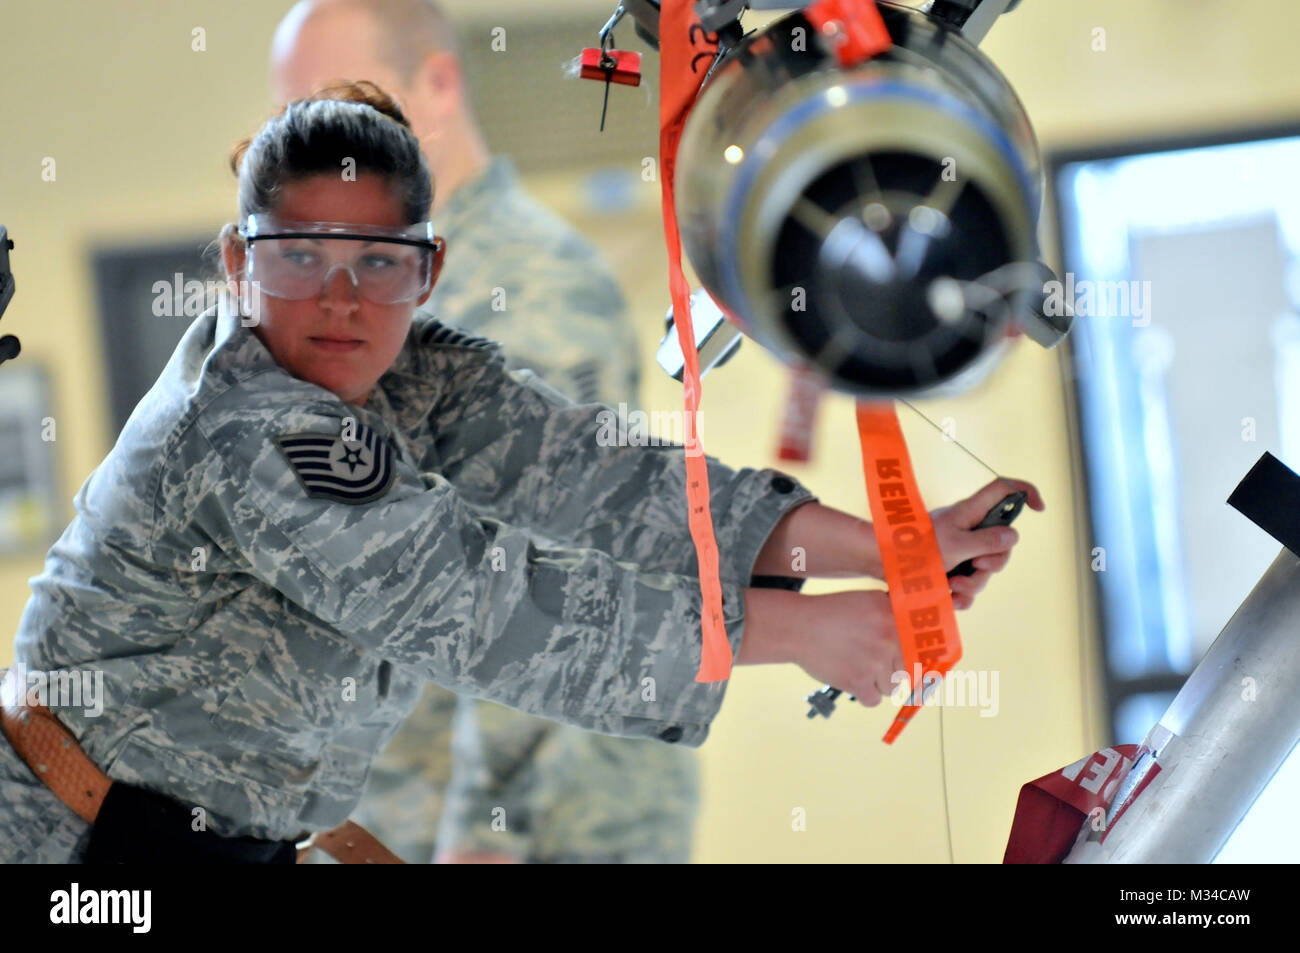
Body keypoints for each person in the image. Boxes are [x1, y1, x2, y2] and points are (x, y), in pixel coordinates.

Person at [0, 84, 1041, 863]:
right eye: (297, 258)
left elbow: (604, 477)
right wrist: (811, 631)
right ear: (236, 260)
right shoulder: (243, 423)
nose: (341, 301)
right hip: (65, 844)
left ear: (429, 268)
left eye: (379, 263)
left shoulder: (415, 373)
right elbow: (483, 606)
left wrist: (893, 547)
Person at [269, 0, 693, 864]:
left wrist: (484, 833)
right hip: (410, 811)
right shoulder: (385, 290)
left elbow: (547, 582)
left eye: (342, 106)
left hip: (545, 827)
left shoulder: (533, 288)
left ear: (438, 83)